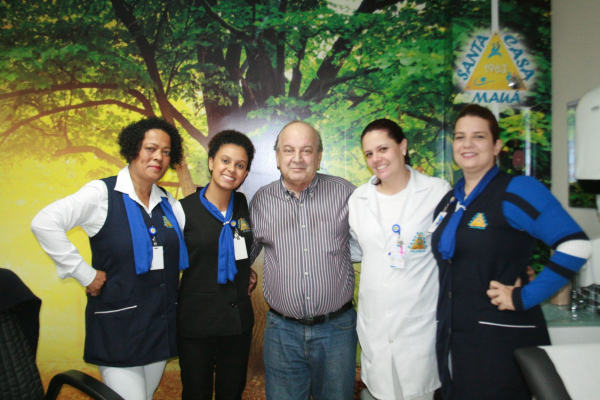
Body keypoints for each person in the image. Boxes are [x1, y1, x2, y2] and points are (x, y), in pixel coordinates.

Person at [431, 104, 591, 399]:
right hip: (456, 339)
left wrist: (523, 296)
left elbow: (576, 245)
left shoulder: (518, 190)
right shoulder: (449, 202)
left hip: (500, 341)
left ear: (496, 146)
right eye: (459, 136)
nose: (467, 144)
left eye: (478, 136)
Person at [31, 117, 188, 400]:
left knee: (146, 395)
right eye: (150, 148)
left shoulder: (170, 204)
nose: (158, 157)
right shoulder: (102, 193)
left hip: (158, 325)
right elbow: (44, 222)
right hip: (118, 328)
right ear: (132, 150)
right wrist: (84, 273)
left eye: (166, 152)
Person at [249, 120, 359, 400]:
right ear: (276, 157)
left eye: (306, 150)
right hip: (282, 333)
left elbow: (372, 245)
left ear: (319, 156)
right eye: (288, 150)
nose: (297, 158)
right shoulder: (261, 201)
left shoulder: (347, 194)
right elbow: (244, 255)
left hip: (337, 331)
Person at [349, 119, 451, 400]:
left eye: (383, 148)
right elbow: (356, 250)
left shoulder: (436, 192)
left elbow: (457, 248)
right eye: (369, 153)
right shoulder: (359, 199)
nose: (376, 159)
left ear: (403, 146)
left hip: (419, 330)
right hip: (376, 330)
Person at [176, 130, 256, 400]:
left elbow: (243, 250)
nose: (231, 169)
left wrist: (247, 270)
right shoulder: (182, 210)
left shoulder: (243, 205)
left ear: (245, 174)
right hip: (196, 326)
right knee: (196, 394)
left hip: (237, 325)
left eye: (240, 165)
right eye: (225, 160)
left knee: (231, 394)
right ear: (211, 162)